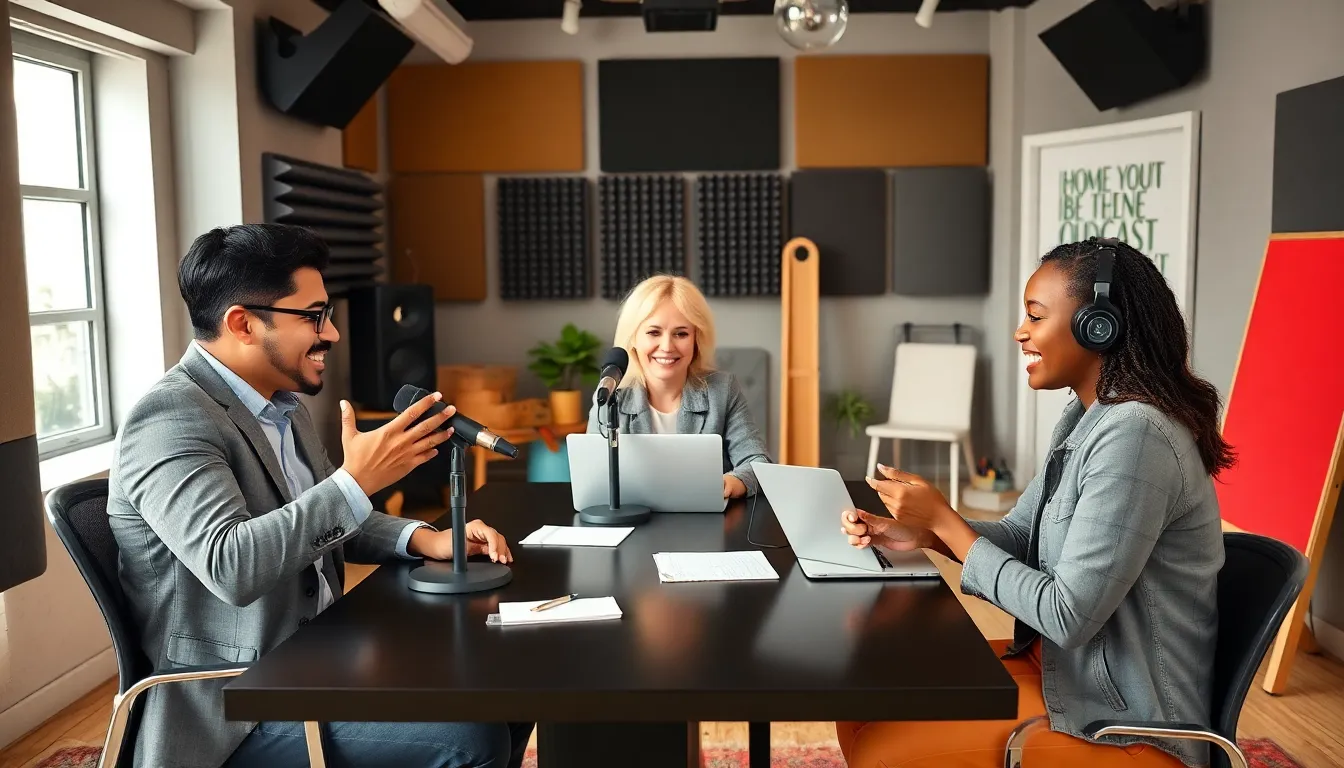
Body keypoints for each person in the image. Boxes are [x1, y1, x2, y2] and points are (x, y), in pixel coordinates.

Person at [108, 224, 533, 768]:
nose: (331, 334)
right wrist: (354, 482)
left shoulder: (281, 407)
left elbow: (325, 516)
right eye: (314, 316)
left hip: (321, 660)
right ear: (242, 323)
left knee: (510, 688)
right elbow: (232, 564)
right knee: (470, 740)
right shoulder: (170, 419)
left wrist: (423, 537)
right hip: (241, 707)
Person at [837, 237, 1234, 768]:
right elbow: (1024, 536)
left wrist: (950, 526)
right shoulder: (1085, 417)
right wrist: (928, 533)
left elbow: (1067, 614)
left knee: (882, 753)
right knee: (861, 701)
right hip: (1065, 675)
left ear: (1099, 325)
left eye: (1035, 315)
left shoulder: (1136, 437)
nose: (1021, 332)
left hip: (1124, 726)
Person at [587, 274, 771, 498]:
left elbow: (757, 462)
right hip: (637, 520)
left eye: (681, 334)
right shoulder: (610, 395)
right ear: (633, 338)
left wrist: (732, 481)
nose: (666, 346)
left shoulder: (722, 390)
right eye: (654, 332)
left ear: (696, 339)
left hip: (705, 522)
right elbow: (593, 477)